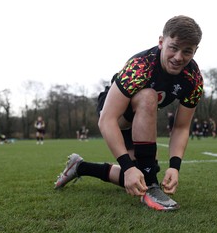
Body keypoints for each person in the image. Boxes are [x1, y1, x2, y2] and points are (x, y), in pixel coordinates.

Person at [54, 15, 203, 211]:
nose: (178, 57)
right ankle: (152, 187)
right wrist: (126, 165)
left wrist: (175, 166)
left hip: (140, 118)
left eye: (187, 51)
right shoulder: (140, 67)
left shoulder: (193, 79)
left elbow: (181, 127)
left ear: (195, 51)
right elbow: (106, 120)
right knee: (148, 97)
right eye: (173, 47)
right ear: (161, 42)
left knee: (137, 176)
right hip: (115, 113)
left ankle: (80, 167)